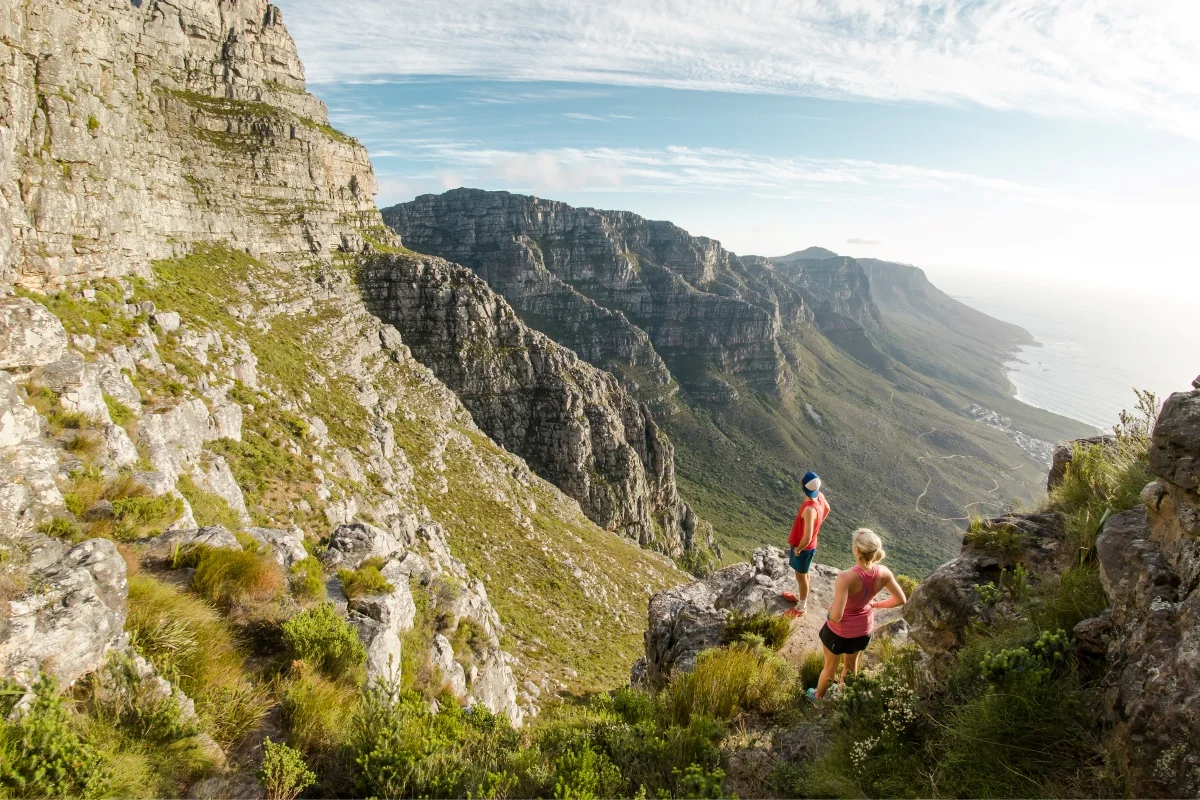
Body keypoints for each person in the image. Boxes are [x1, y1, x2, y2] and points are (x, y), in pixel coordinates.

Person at [808, 528, 907, 700]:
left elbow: (837, 616)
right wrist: (874, 604)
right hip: (863, 629)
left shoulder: (846, 577)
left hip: (839, 631)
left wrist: (829, 614)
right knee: (851, 666)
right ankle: (843, 698)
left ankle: (817, 698)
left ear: (857, 550)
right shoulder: (883, 572)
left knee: (830, 666)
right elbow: (900, 599)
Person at [781, 471, 829, 617]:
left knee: (801, 576)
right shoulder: (820, 497)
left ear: (803, 486)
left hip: (804, 548)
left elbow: (807, 537)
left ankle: (801, 607)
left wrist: (798, 549)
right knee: (804, 573)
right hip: (808, 546)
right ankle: (801, 596)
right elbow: (827, 509)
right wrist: (818, 524)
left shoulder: (809, 509)